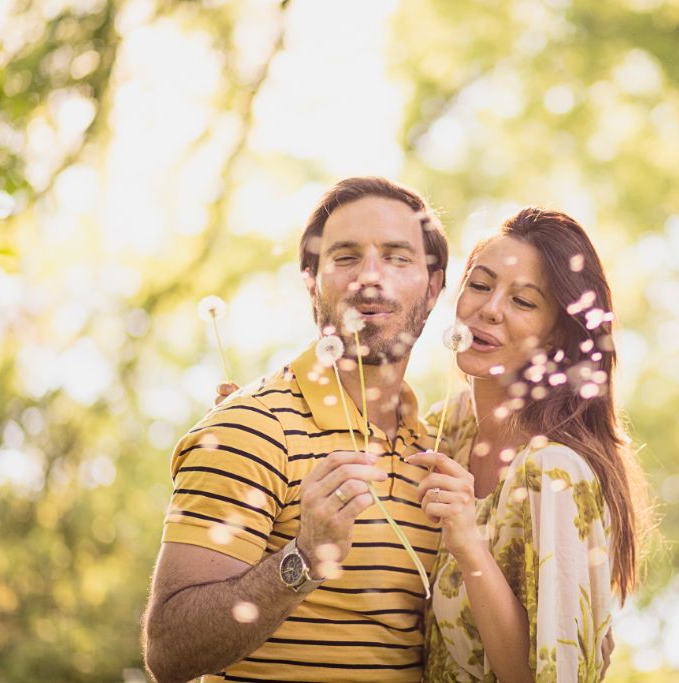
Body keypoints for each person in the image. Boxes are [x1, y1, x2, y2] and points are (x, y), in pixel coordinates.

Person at [142, 176, 448, 683]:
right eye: (346, 257)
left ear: (434, 287)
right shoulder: (250, 426)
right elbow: (169, 651)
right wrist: (304, 556)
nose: (370, 277)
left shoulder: (437, 447)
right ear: (311, 280)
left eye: (397, 257)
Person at [407, 208, 650, 681]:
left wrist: (470, 546)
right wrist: (254, 413)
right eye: (480, 285)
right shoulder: (452, 429)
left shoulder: (555, 473)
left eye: (523, 301)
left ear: (556, 334)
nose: (491, 308)